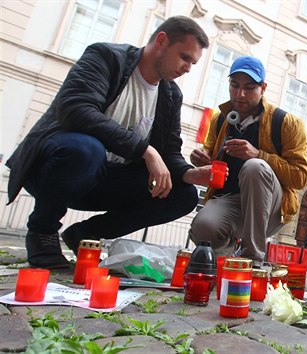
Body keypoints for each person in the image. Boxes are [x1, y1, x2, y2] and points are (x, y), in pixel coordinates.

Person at [5, 16, 211, 269]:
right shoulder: (106, 57)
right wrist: (145, 150)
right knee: (86, 149)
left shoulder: (170, 94)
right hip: (56, 169)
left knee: (183, 194)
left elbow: (169, 150)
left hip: (108, 180)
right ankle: (42, 232)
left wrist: (189, 173)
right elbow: (75, 109)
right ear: (161, 41)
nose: (188, 68)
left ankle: (85, 234)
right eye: (185, 57)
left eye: (193, 62)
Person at [189, 56, 307, 268]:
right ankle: (220, 265)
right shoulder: (220, 119)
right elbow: (208, 152)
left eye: (249, 87)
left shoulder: (287, 123)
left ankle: (252, 261)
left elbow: (300, 177)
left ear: (263, 88)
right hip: (230, 200)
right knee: (204, 227)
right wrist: (200, 159)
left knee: (255, 167)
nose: (240, 94)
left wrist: (259, 155)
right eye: (234, 86)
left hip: (271, 207)